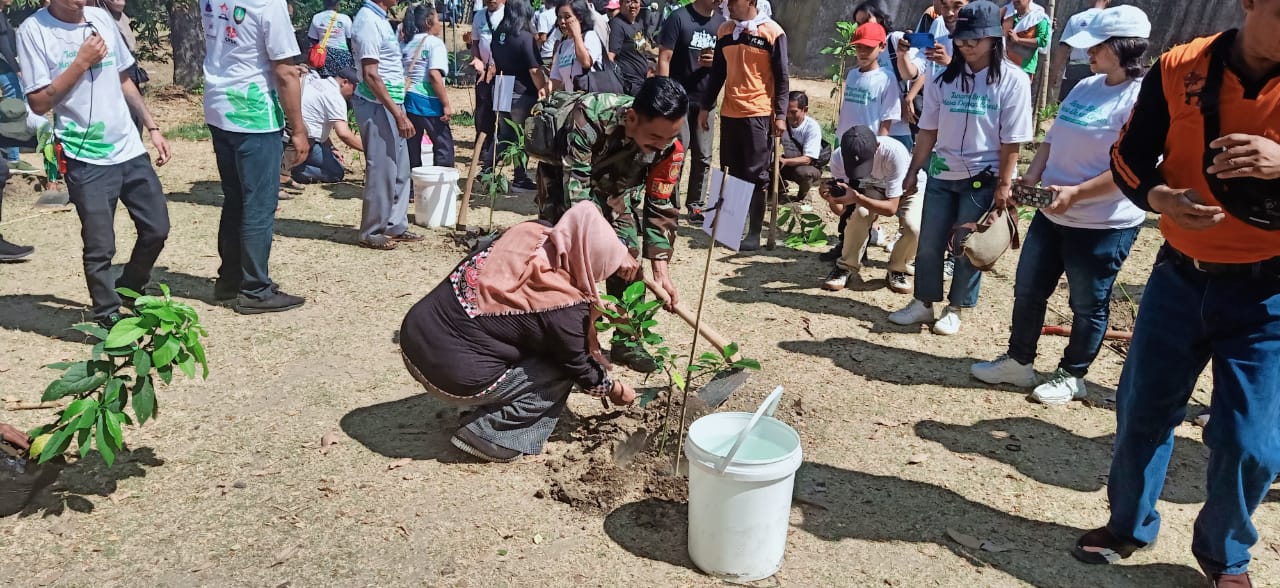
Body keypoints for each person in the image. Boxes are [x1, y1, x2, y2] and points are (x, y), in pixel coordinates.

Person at [1070, 2, 1280, 585]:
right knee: (1143, 412)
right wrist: (1160, 198)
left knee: (1251, 444)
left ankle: (1224, 556)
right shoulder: (1179, 67)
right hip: (1178, 278)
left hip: (1268, 293)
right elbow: (1131, 156)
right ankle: (1127, 525)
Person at [971, 5, 1149, 404]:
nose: (1089, 54)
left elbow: (1132, 167)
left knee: (1088, 302)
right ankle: (1019, 362)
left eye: (1097, 47)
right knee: (1029, 288)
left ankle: (1073, 374)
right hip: (1052, 212)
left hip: (1103, 221)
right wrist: (1032, 180)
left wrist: (1076, 194)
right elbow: (1052, 141)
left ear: (1123, 48)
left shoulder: (1142, 98)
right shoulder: (1087, 86)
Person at [400, 191, 639, 463]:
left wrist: (616, 252)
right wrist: (616, 390)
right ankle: (489, 435)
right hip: (450, 377)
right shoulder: (563, 305)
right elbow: (582, 369)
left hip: (414, 340)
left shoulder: (530, 232)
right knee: (559, 368)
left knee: (517, 336)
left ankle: (487, 399)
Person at [18, 0, 173, 328]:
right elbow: (38, 101)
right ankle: (108, 317)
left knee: (157, 227)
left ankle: (130, 286)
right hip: (83, 153)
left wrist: (153, 126)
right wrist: (80, 62)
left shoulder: (101, 18)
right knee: (101, 245)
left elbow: (123, 78)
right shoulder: (34, 30)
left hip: (128, 147)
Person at [889, 0, 1032, 336]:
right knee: (929, 242)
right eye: (961, 39)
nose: (966, 45)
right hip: (941, 171)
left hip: (983, 177)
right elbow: (928, 130)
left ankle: (957, 307)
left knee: (968, 245)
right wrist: (913, 170)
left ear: (994, 39)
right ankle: (923, 303)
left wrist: (1004, 186)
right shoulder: (943, 79)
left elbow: (1012, 141)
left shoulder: (1013, 81)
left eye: (974, 40)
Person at [534, 76, 686, 371]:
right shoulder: (588, 116)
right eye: (656, 138)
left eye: (670, 138)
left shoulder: (669, 147)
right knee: (565, 262)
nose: (662, 146)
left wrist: (661, 270)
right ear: (631, 118)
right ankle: (569, 342)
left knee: (631, 256)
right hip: (565, 187)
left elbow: (661, 205)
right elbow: (577, 200)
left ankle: (627, 340)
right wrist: (613, 252)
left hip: (615, 189)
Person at [203, 0, 309, 314]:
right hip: (253, 113)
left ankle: (231, 280)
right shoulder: (269, 5)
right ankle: (256, 290)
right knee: (259, 203)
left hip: (219, 106)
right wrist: (299, 129)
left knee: (236, 198)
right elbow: (286, 72)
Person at [700, 0, 789, 251]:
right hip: (730, 111)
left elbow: (782, 77)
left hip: (758, 113)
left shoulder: (773, 32)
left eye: (734, 1)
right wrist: (706, 106)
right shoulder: (725, 31)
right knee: (730, 169)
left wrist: (780, 115)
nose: (729, 5)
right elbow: (718, 71)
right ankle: (729, 227)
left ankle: (754, 232)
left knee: (756, 173)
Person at [351, 0, 421, 250]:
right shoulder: (367, 21)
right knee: (382, 167)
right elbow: (371, 74)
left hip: (392, 102)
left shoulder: (380, 18)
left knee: (400, 167)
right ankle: (372, 230)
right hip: (377, 104)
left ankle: (395, 224)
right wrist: (398, 114)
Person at [821, 125, 913, 294]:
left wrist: (857, 197)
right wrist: (832, 199)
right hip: (873, 188)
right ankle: (846, 267)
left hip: (909, 188)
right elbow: (842, 211)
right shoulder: (838, 158)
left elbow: (891, 208)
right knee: (860, 214)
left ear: (876, 146)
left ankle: (897, 269)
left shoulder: (894, 153)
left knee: (914, 226)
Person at [656, 0, 723, 223]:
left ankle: (695, 206)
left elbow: (726, 64)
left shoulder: (722, 24)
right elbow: (664, 58)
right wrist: (664, 96)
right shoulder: (679, 18)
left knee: (704, 156)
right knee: (677, 153)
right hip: (679, 99)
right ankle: (671, 203)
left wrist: (717, 62)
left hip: (707, 101)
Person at [488, 0, 547, 191]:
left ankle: (487, 169)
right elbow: (533, 69)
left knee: (504, 134)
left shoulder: (498, 33)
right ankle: (520, 178)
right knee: (521, 136)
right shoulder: (524, 37)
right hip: (521, 92)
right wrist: (544, 88)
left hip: (501, 86)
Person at [854, 1, 926, 151]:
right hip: (871, 122)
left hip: (898, 125)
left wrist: (909, 98)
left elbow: (920, 72)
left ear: (880, 19)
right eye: (858, 23)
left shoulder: (895, 40)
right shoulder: (863, 47)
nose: (862, 26)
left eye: (866, 21)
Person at [401, 4, 455, 171]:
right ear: (428, 22)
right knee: (443, 146)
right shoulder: (434, 43)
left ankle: (412, 189)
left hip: (409, 99)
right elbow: (434, 75)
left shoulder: (407, 44)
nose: (440, 23)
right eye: (438, 19)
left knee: (412, 147)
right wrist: (446, 104)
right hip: (428, 101)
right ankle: (440, 185)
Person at [290, 67, 363, 184]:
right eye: (355, 89)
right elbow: (344, 134)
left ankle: (291, 165)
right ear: (345, 82)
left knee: (333, 159)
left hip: (295, 134)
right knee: (336, 173)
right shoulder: (335, 97)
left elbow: (317, 124)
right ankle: (293, 170)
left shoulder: (318, 82)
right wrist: (368, 150)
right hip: (307, 141)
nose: (355, 94)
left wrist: (331, 147)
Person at [1047, 0, 1108, 104]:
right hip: (1101, 72)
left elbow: (1063, 48)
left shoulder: (1076, 18)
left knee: (1067, 109)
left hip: (1074, 70)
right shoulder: (1111, 20)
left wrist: (1053, 74)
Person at [0, 0, 35, 176]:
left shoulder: (2, 14)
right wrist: (18, 69)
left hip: (7, 68)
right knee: (13, 110)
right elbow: (4, 47)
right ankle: (12, 158)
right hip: (6, 69)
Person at [470, 0, 505, 175]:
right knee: (483, 113)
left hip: (502, 74)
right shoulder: (479, 16)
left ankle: (497, 154)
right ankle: (484, 152)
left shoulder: (508, 15)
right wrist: (477, 61)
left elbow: (509, 48)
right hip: (482, 73)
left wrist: (494, 67)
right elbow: (476, 44)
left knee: (500, 114)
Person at [550, 0, 605, 92]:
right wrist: (545, 89)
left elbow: (586, 63)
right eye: (559, 18)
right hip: (572, 100)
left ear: (580, 18)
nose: (562, 22)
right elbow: (556, 78)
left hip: (589, 100)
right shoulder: (562, 46)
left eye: (567, 17)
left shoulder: (590, 36)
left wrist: (576, 34)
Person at [778, 91, 823, 201]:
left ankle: (803, 194)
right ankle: (779, 187)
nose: (788, 115)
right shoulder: (781, 122)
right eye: (786, 111)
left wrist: (785, 162)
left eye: (793, 112)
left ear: (805, 110)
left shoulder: (812, 128)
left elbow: (807, 159)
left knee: (804, 173)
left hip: (806, 166)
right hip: (787, 163)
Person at [609, 0, 653, 95]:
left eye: (636, 2)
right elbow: (610, 57)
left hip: (641, 80)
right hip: (629, 84)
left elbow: (642, 49)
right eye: (628, 2)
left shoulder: (637, 25)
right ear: (621, 4)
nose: (633, 5)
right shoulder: (617, 24)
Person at [1002, 0, 1049, 80]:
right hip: (1006, 66)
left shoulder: (1039, 18)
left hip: (1025, 68)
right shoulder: (1009, 19)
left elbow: (1043, 41)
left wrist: (1018, 40)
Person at [308, 0, 355, 78]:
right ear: (338, 3)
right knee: (342, 80)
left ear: (324, 2)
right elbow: (350, 39)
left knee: (324, 81)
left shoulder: (317, 17)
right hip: (342, 54)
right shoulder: (345, 18)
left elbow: (313, 39)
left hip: (322, 55)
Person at [535, 0, 558, 66]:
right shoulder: (560, 13)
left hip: (546, 54)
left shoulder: (543, 15)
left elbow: (543, 38)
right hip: (559, 53)